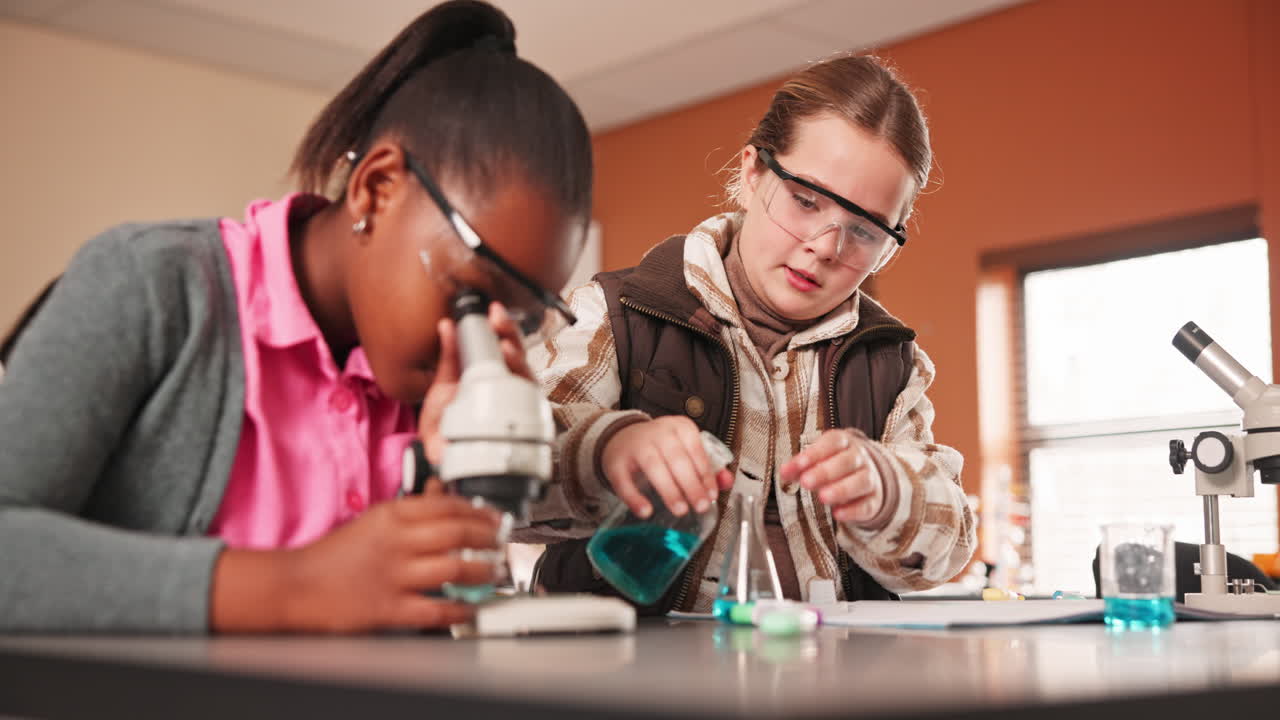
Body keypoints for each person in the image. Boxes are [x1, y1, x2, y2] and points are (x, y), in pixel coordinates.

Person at [0, 0, 592, 632]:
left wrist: (449, 477)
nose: (478, 344)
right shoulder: (149, 283)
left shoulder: (427, 383)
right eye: (471, 294)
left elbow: (410, 630)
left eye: (523, 319)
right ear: (377, 188)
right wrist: (296, 586)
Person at [517, 53, 975, 612]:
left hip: (826, 683)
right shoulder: (615, 313)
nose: (826, 247)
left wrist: (890, 492)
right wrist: (608, 450)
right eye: (806, 201)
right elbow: (501, 490)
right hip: (629, 682)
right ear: (751, 173)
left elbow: (949, 550)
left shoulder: (893, 364)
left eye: (864, 230)